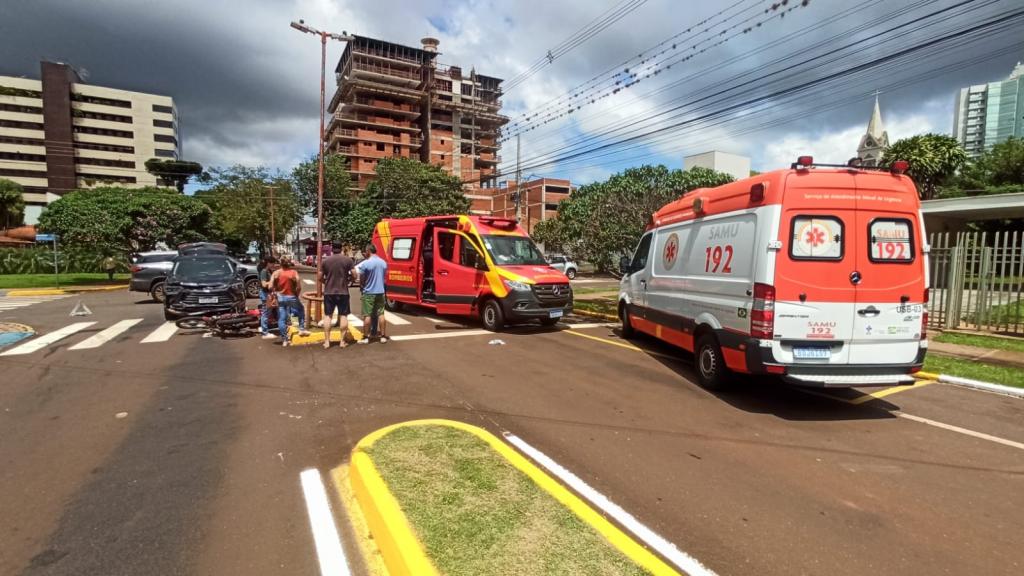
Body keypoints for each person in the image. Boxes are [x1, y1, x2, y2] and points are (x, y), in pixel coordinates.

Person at [320, 241, 355, 349]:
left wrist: (325, 282)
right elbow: (354, 274)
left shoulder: (325, 261)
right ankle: (342, 342)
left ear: (332, 248)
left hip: (329, 292)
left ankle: (327, 342)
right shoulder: (347, 260)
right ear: (341, 248)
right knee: (343, 315)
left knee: (328, 316)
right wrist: (349, 280)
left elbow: (319, 276)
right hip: (343, 291)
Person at [353, 243, 388, 344]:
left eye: (365, 251)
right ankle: (383, 336)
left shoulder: (366, 263)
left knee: (367, 315)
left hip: (369, 292)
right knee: (381, 314)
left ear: (368, 251)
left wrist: (362, 286)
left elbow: (362, 278)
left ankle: (366, 337)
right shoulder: (383, 263)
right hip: (381, 292)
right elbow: (383, 276)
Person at [271, 257, 309, 346]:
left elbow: (270, 286)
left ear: (280, 263)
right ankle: (301, 329)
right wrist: (296, 294)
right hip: (291, 296)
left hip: (280, 297)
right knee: (300, 309)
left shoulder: (276, 273)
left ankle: (285, 340)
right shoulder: (293, 273)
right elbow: (299, 287)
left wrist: (274, 294)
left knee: (282, 318)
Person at [258, 255, 279, 340]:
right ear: (268, 263)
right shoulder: (264, 271)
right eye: (272, 263)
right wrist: (272, 281)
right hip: (265, 294)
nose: (274, 265)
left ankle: (263, 328)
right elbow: (263, 284)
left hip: (268, 294)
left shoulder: (268, 270)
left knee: (268, 312)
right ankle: (265, 332)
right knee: (266, 313)